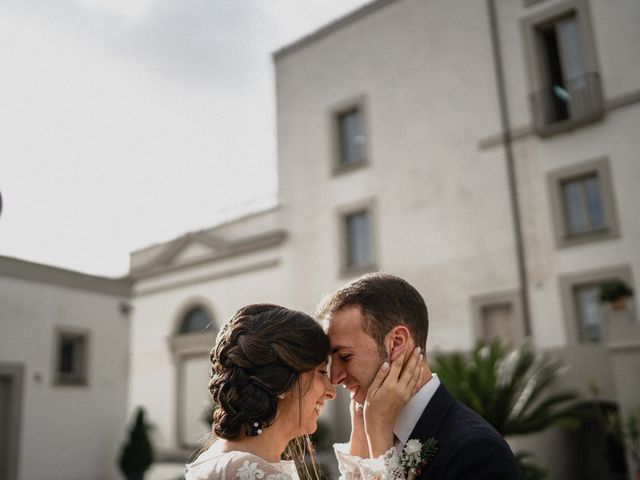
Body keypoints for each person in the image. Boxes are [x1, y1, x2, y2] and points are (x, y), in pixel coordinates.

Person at [317, 273, 524, 480]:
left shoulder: (477, 450)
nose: (334, 378)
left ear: (396, 343)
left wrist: (378, 430)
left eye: (345, 357)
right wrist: (363, 440)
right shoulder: (365, 429)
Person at [185, 303, 422, 480]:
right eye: (321, 372)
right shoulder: (250, 472)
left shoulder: (232, 459)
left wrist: (359, 429)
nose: (331, 390)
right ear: (282, 381)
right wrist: (379, 427)